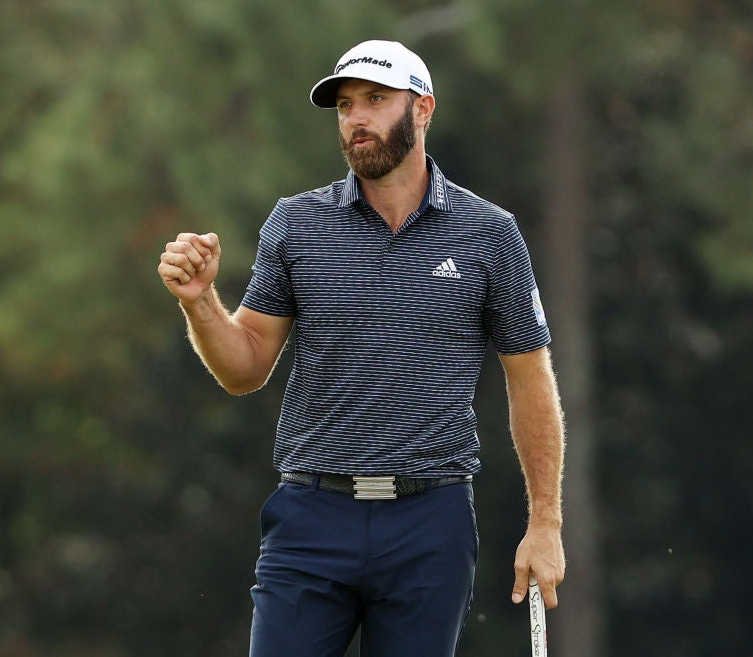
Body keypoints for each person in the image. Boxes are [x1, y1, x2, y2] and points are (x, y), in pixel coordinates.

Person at [157, 39, 565, 657]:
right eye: (346, 105)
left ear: (422, 109)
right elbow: (244, 368)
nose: (356, 118)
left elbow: (530, 379)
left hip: (431, 520)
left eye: (376, 100)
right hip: (311, 515)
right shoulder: (296, 223)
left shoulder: (489, 233)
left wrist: (545, 524)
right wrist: (200, 301)